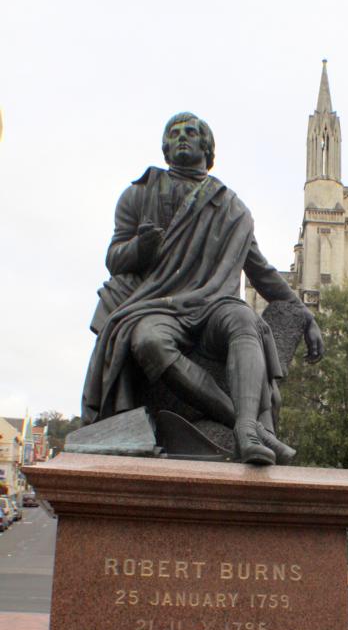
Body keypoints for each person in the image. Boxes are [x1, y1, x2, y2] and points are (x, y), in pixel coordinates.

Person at [81, 112, 323, 465]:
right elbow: (114, 259)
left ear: (207, 147)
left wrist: (305, 315)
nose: (182, 137)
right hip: (157, 307)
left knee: (244, 320)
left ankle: (246, 429)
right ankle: (246, 426)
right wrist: (140, 249)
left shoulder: (231, 207)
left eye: (191, 132)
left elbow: (262, 272)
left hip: (213, 305)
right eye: (174, 133)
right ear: (165, 147)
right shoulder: (138, 195)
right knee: (148, 341)